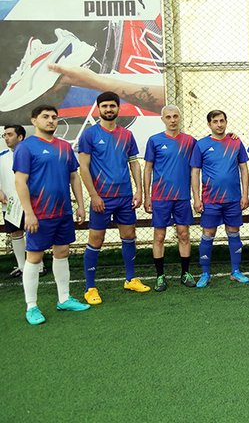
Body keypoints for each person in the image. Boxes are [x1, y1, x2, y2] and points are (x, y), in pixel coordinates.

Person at [14, 104, 90, 325]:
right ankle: (31, 307)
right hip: (39, 214)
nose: (50, 120)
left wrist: (80, 205)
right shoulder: (26, 147)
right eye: (45, 117)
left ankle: (64, 299)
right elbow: (20, 181)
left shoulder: (65, 147)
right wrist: (29, 213)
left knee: (62, 252)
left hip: (63, 212)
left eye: (54, 117)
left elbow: (74, 177)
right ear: (34, 121)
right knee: (34, 257)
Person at [78, 91, 150, 305]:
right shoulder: (90, 135)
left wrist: (139, 190)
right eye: (105, 106)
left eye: (112, 106)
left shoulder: (127, 135)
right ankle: (90, 287)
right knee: (96, 240)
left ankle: (130, 279)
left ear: (118, 108)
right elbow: (83, 168)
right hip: (102, 198)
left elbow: (134, 163)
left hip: (125, 197)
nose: (108, 109)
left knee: (129, 235)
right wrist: (93, 195)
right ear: (98, 109)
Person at [190, 110, 249, 287]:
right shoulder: (201, 145)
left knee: (233, 232)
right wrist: (196, 198)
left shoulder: (235, 142)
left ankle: (236, 271)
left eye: (222, 121)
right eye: (215, 121)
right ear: (209, 124)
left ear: (226, 122)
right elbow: (195, 172)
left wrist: (245, 194)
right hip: (210, 200)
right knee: (208, 234)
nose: (219, 124)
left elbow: (244, 169)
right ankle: (205, 273)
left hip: (233, 199)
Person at [143, 105, 197, 291]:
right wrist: (147, 196)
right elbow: (148, 169)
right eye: (168, 117)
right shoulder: (154, 140)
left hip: (182, 197)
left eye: (175, 116)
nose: (172, 120)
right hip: (160, 197)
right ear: (163, 119)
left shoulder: (190, 141)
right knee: (159, 236)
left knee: (184, 234)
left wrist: (230, 135)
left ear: (180, 117)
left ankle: (185, 273)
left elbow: (208, 146)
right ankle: (160, 276)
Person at [1, 124, 43, 278]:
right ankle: (22, 266)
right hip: (10, 204)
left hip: (32, 203)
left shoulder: (33, 154)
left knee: (34, 231)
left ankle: (38, 265)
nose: (6, 138)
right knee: (15, 233)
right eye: (4, 135)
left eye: (10, 134)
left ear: (20, 137)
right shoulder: (2, 156)